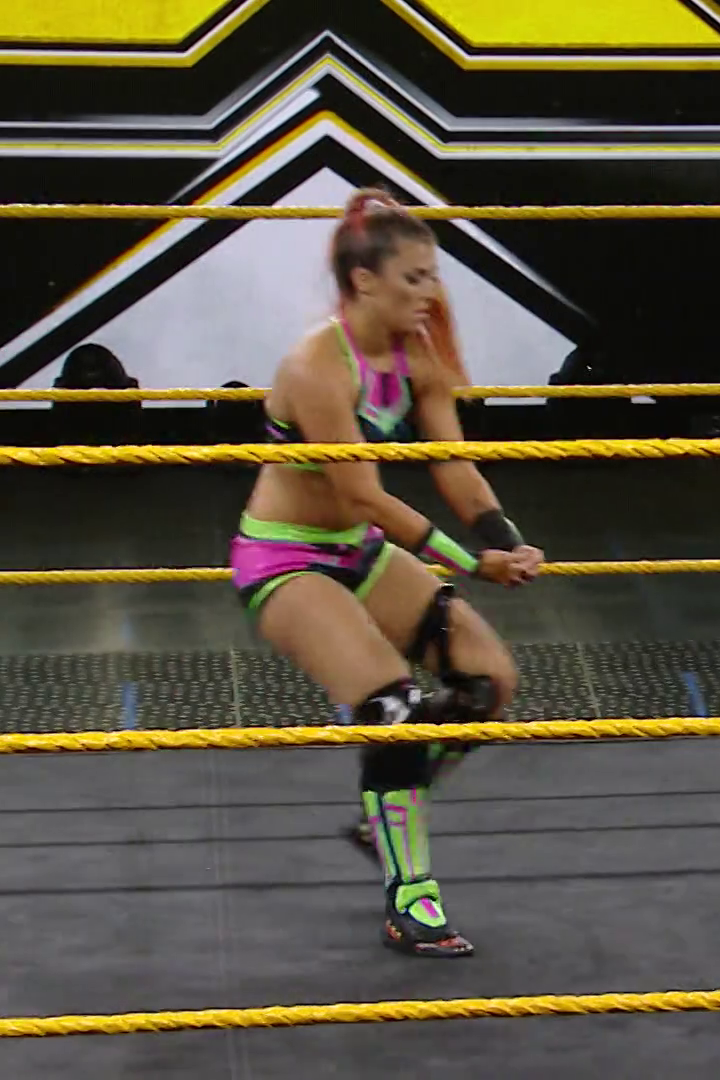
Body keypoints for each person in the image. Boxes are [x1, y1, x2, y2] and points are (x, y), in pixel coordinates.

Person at [231, 188, 543, 956]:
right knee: (393, 707)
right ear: (364, 281)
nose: (428, 292)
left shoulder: (419, 358)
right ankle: (411, 898)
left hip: (359, 550)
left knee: (488, 682)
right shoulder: (316, 364)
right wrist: (470, 563)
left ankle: (387, 811)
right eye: (413, 278)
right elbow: (362, 494)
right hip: (286, 556)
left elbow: (454, 464)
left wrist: (506, 539)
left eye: (432, 276)